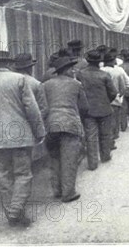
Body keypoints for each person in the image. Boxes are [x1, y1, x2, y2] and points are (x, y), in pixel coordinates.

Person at [0, 51, 45, 227]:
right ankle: (15, 211)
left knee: (4, 178)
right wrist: (39, 131)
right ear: (9, 63)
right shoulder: (19, 80)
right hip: (20, 136)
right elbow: (32, 108)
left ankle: (13, 213)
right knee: (23, 175)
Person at [43, 55, 89, 202]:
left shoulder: (46, 85)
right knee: (69, 159)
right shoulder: (76, 84)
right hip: (70, 124)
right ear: (67, 70)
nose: (74, 70)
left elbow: (42, 106)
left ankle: (57, 189)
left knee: (55, 158)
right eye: (72, 68)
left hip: (51, 125)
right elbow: (84, 107)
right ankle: (68, 192)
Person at [78, 50, 117, 171]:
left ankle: (92, 163)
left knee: (91, 136)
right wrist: (106, 101)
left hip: (88, 110)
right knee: (105, 134)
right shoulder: (104, 75)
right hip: (104, 109)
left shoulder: (80, 74)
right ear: (99, 62)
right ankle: (105, 156)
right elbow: (113, 92)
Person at [102, 51, 129, 149]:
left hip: (102, 101)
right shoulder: (118, 71)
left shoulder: (100, 70)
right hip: (115, 100)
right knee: (114, 121)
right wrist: (119, 96)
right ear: (112, 61)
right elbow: (125, 86)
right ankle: (112, 140)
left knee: (104, 123)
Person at [13, 53, 48, 123]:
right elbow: (44, 109)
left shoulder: (11, 83)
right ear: (29, 68)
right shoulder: (36, 84)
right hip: (31, 126)